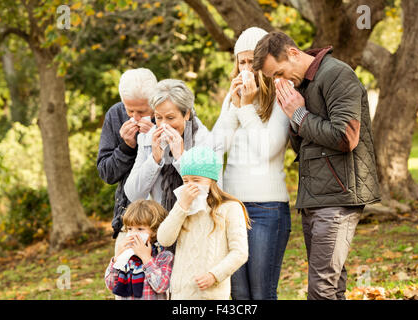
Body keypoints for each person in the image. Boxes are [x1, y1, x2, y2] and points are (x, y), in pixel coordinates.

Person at [253, 31, 381, 300]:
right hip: (314, 197)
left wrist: (299, 114)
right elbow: (305, 147)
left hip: (339, 195)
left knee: (321, 289)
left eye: (278, 73)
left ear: (293, 53)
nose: (278, 82)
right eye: (273, 78)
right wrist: (294, 117)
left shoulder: (336, 74)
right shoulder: (301, 85)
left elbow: (346, 136)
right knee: (332, 287)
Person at [212, 27, 291, 300]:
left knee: (261, 293)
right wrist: (234, 108)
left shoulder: (283, 94)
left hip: (267, 208)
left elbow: (268, 149)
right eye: (241, 62)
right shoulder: (232, 99)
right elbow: (215, 147)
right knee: (238, 294)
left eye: (252, 62)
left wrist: (246, 108)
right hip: (232, 207)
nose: (246, 68)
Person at [156, 146, 249, 300]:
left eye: (197, 180)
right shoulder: (183, 207)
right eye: (186, 181)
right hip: (180, 295)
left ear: (211, 180)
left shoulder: (230, 208)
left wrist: (214, 275)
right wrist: (181, 207)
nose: (190, 185)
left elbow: (239, 252)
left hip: (210, 295)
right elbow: (164, 239)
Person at [124, 79, 223, 212]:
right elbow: (133, 195)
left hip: (195, 224)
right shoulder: (147, 139)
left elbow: (213, 196)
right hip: (160, 225)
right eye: (159, 118)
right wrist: (154, 159)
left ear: (187, 114)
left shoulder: (209, 142)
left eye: (170, 118)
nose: (164, 125)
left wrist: (181, 158)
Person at [97, 68, 157, 246]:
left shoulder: (174, 111)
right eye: (130, 111)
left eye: (142, 111)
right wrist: (126, 148)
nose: (136, 118)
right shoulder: (116, 115)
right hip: (131, 221)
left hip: (168, 219)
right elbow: (106, 173)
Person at [104, 199, 174, 300]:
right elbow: (111, 285)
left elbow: (161, 286)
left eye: (140, 229)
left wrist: (146, 259)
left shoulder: (163, 256)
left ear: (154, 230)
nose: (133, 234)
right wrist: (117, 259)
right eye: (130, 229)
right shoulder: (126, 257)